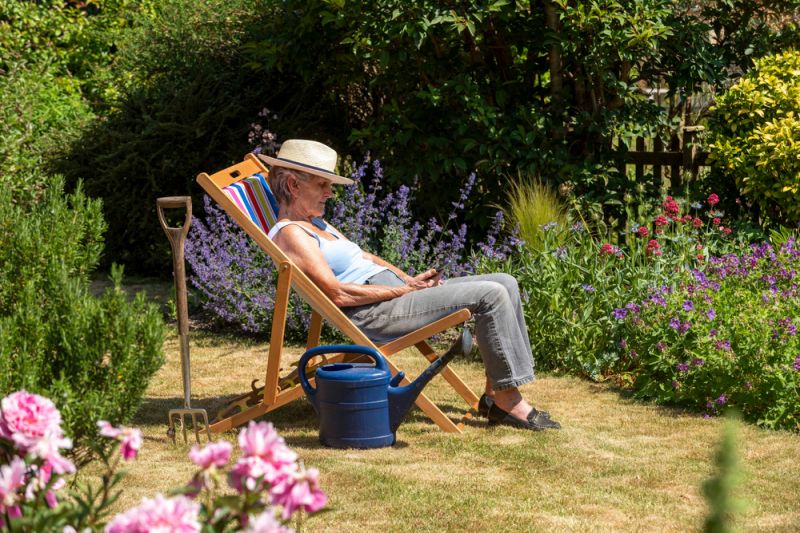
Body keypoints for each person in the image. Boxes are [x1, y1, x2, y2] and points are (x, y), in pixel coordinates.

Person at [258, 139, 560, 431]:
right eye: (322, 184)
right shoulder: (292, 234)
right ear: (293, 185)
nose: (330, 193)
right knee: (491, 295)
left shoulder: (315, 223)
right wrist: (402, 291)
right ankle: (509, 400)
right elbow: (336, 293)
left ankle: (495, 394)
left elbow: (365, 257)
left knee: (505, 281)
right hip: (376, 312)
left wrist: (408, 280)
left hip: (392, 297)